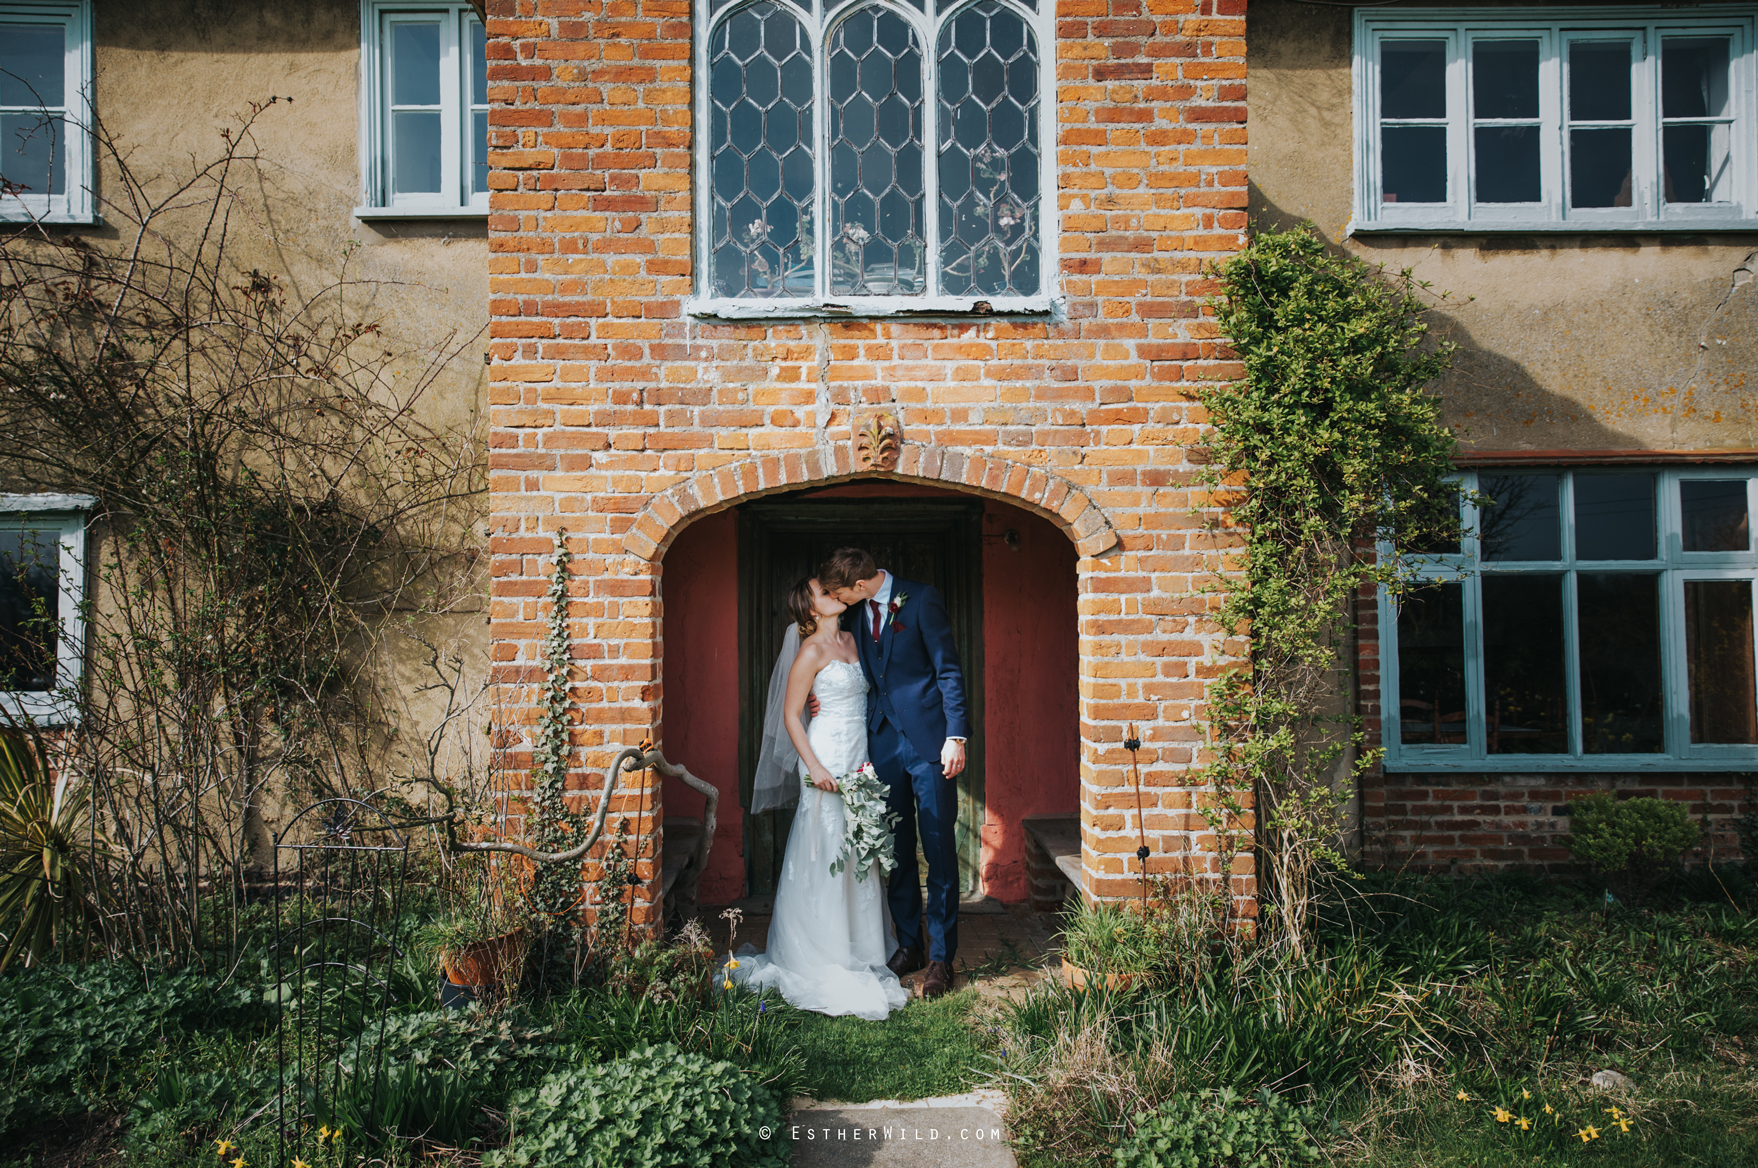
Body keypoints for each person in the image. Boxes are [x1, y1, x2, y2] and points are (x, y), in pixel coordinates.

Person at [730, 576, 909, 1020]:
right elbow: (793, 715)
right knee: (826, 845)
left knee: (859, 850)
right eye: (824, 592)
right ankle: (821, 949)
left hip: (859, 754)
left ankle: (865, 946)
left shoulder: (854, 639)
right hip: (826, 754)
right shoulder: (809, 651)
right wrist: (813, 765)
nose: (835, 593)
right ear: (811, 610)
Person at [818, 547, 969, 1000]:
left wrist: (956, 736)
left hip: (930, 745)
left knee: (939, 848)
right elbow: (858, 671)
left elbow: (948, 671)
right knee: (896, 849)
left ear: (861, 585)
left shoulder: (921, 600)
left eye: (841, 593)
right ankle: (911, 944)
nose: (839, 600)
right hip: (881, 745)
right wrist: (818, 699)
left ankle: (942, 957)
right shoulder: (858, 616)